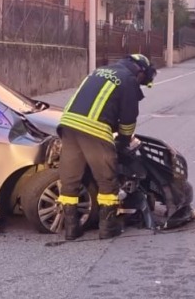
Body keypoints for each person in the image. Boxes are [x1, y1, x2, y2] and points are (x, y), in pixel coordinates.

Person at [56, 53, 156, 240]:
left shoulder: (99, 71)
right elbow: (128, 118)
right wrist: (124, 141)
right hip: (93, 130)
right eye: (143, 80)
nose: (141, 83)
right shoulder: (128, 80)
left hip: (68, 125)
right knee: (107, 180)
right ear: (140, 71)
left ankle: (71, 229)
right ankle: (107, 228)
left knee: (70, 179)